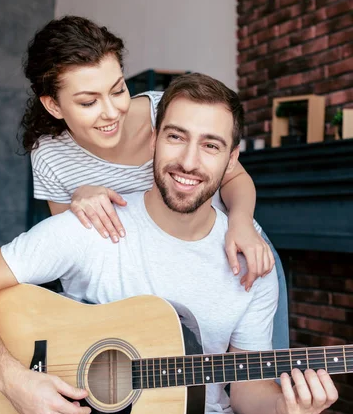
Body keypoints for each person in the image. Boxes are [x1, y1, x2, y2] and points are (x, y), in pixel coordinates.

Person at [0, 74, 351, 414]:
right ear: (154, 140)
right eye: (176, 137)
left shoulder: (251, 257)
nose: (190, 162)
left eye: (210, 145)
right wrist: (11, 378)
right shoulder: (91, 227)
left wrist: (283, 409)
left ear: (232, 160)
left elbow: (247, 394)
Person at [20, 15, 275, 291]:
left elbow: (234, 177)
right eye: (89, 101)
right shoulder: (49, 154)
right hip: (146, 281)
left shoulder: (165, 115)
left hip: (230, 257)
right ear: (54, 106)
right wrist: (77, 200)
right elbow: (68, 244)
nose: (111, 112)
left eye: (118, 90)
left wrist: (242, 224)